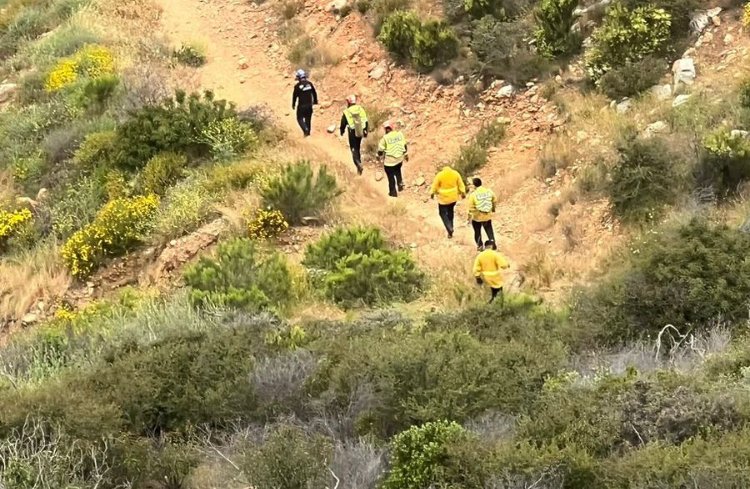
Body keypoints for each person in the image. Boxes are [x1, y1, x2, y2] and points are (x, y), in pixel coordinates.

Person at [430, 165, 466, 238]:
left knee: (442, 213)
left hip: (443, 199)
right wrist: (463, 193)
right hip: (453, 197)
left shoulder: (440, 175)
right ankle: (450, 231)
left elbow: (434, 186)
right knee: (450, 212)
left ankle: (449, 227)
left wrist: (432, 193)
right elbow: (461, 184)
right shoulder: (455, 173)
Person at [377, 120, 408, 197]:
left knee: (391, 177)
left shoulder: (385, 138)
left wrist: (379, 156)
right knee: (397, 169)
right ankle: (400, 183)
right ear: (392, 128)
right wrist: (405, 154)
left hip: (389, 162)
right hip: (399, 159)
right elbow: (405, 146)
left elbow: (380, 150)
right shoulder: (399, 134)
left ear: (385, 129)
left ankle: (393, 193)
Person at [473, 240, 510, 305]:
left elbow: (476, 268)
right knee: (498, 295)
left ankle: (488, 306)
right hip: (495, 277)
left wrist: (477, 277)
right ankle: (498, 306)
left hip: (485, 278)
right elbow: (503, 265)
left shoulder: (480, 255)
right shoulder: (495, 254)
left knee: (490, 294)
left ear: (485, 246)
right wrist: (507, 265)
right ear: (492, 245)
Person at [340, 95, 369, 174]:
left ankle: (358, 164)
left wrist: (341, 131)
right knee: (358, 147)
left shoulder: (347, 111)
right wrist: (366, 130)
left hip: (352, 132)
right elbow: (365, 120)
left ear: (349, 102)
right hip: (360, 130)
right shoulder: (360, 109)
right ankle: (359, 170)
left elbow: (343, 123)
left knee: (354, 149)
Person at [467, 177, 497, 251]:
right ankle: (492, 243)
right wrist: (493, 209)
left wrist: (470, 217)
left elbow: (471, 207)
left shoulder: (473, 195)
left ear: (474, 185)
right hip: (487, 215)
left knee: (477, 231)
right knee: (489, 229)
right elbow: (494, 200)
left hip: (477, 217)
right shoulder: (489, 191)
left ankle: (480, 245)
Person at [291, 69, 317, 137]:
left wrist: (293, 104)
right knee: (308, 119)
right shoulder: (309, 84)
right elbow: (314, 93)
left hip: (301, 106)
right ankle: (307, 133)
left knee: (299, 118)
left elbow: (294, 96)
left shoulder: (297, 86)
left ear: (299, 77)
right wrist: (315, 101)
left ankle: (305, 129)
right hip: (309, 105)